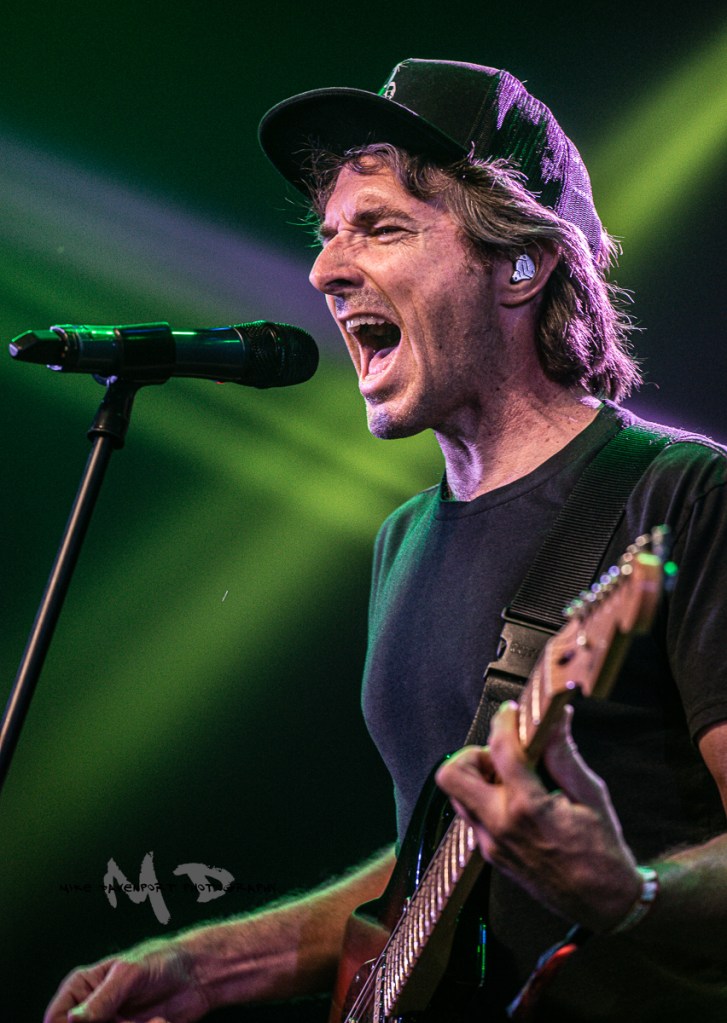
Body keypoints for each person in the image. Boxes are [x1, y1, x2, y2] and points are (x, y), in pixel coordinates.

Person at [44, 58, 727, 1023]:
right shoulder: (402, 540)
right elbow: (429, 865)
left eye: (380, 227)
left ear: (522, 264)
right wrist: (202, 964)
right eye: (328, 234)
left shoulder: (682, 497)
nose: (325, 270)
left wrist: (633, 894)